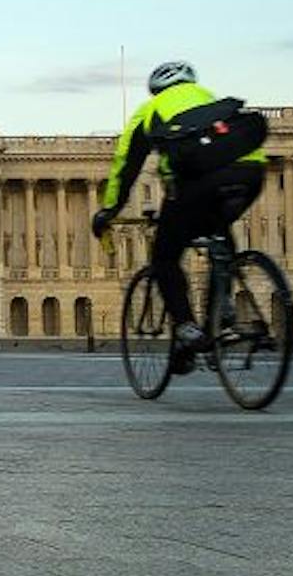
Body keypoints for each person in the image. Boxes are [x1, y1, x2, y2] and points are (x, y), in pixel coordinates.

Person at [92, 61, 267, 372]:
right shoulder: (211, 99)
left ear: (156, 90)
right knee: (220, 237)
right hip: (252, 172)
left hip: (199, 181)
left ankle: (187, 326)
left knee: (165, 258)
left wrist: (109, 211)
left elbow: (125, 167)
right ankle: (222, 311)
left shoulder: (151, 110)